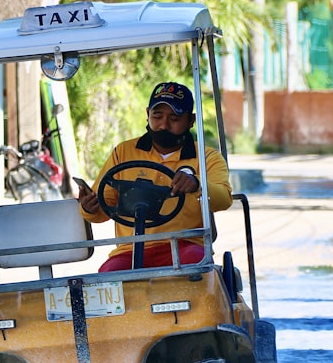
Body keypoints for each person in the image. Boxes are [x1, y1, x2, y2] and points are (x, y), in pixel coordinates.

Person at [77, 81, 233, 272]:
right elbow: (103, 209)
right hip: (129, 249)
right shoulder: (123, 152)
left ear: (191, 121)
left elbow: (224, 199)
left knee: (197, 267)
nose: (163, 125)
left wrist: (196, 184)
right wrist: (89, 208)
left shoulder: (207, 156)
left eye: (174, 119)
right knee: (108, 277)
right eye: (157, 116)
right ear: (147, 115)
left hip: (184, 245)